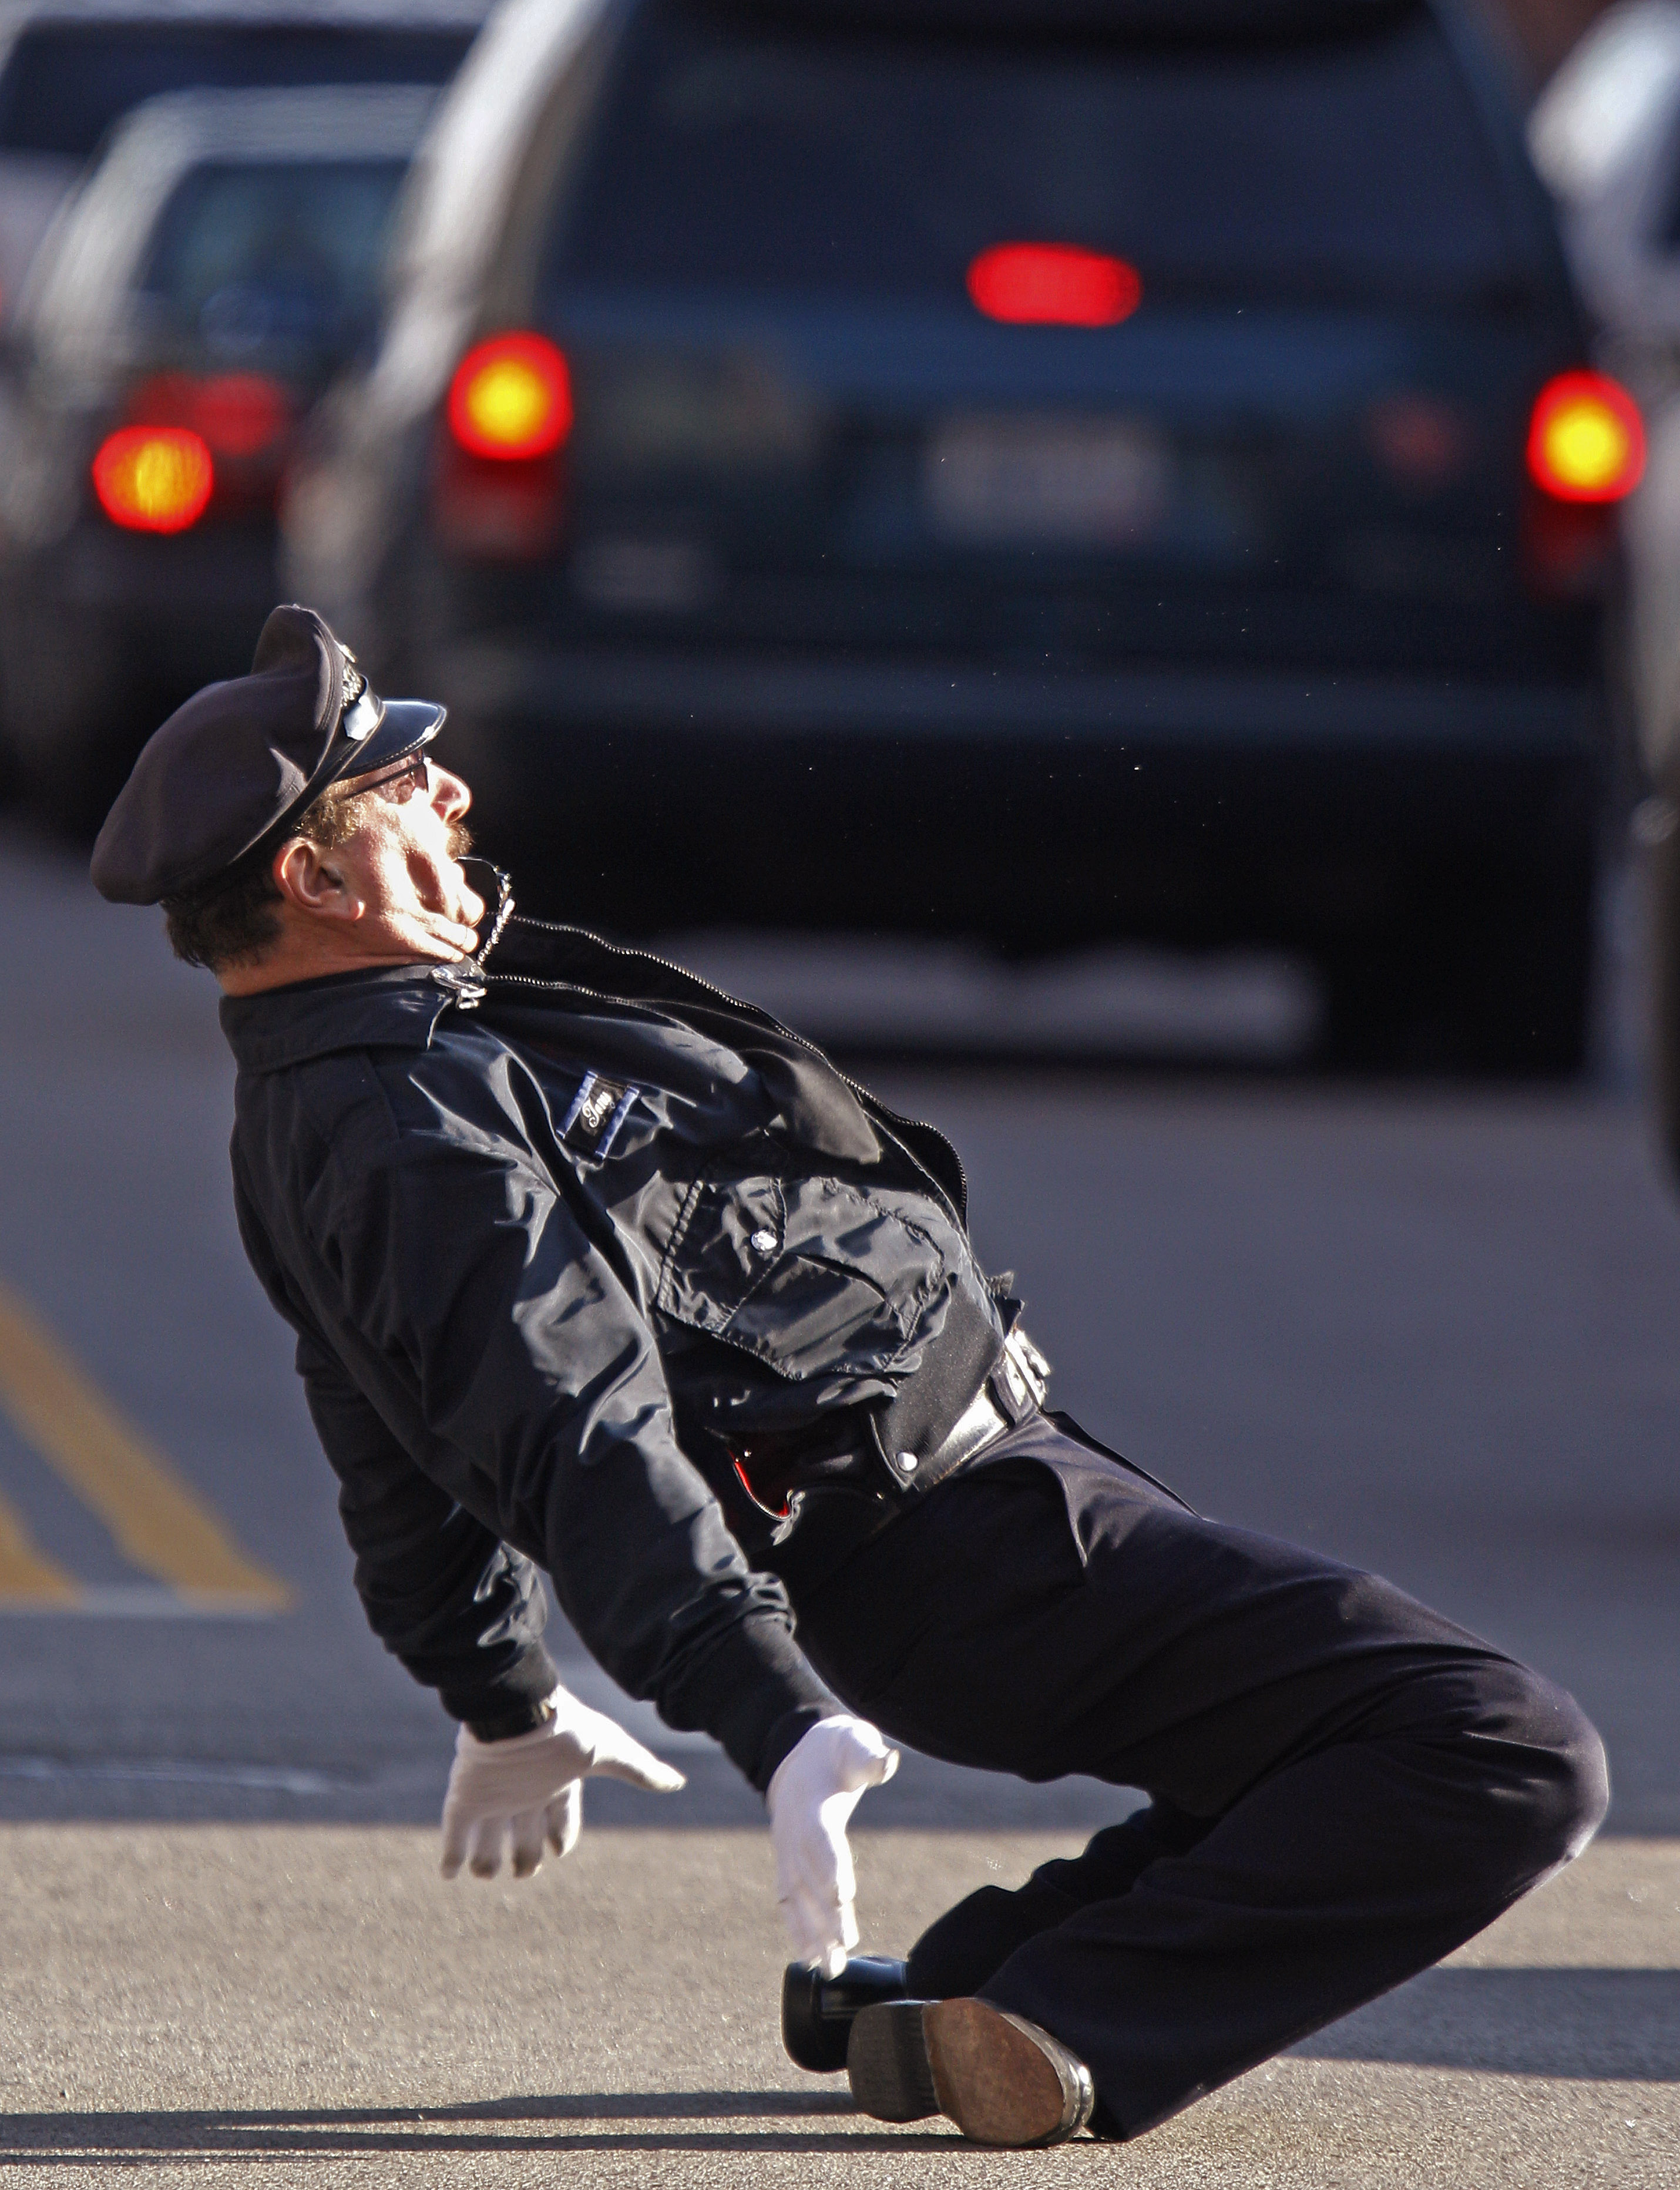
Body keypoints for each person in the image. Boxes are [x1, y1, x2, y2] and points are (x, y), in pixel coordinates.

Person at [93, 606, 1607, 2149]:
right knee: (1495, 1749)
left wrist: (499, 1697)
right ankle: (1061, 2026)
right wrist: (765, 1710)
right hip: (963, 1549)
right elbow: (570, 1423)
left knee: (1307, 1756)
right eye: (407, 784)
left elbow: (388, 1435)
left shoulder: (370, 1076)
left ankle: (950, 1997)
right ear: (319, 878)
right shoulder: (406, 1124)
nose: (454, 794)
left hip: (980, 1507)